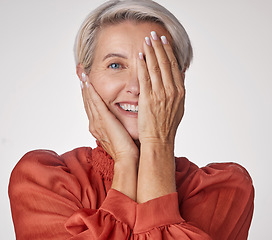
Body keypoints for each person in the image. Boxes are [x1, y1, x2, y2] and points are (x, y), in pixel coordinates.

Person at [8, 0, 254, 239]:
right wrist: (126, 162)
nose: (136, 87)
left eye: (154, 67)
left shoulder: (224, 190)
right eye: (115, 65)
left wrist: (156, 144)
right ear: (85, 77)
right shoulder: (41, 181)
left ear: (179, 82)